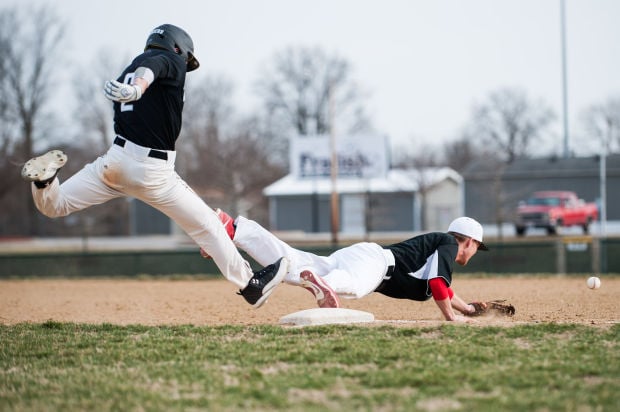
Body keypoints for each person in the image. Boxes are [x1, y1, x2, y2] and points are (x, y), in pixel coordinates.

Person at [20, 24, 287, 309]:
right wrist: (137, 89)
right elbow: (155, 68)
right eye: (185, 58)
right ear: (177, 47)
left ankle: (45, 182)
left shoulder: (130, 67)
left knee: (55, 205)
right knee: (209, 226)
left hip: (115, 160)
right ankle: (250, 285)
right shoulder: (168, 59)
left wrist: (134, 86)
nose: (185, 64)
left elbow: (147, 68)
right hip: (152, 169)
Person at [203, 210, 489, 322]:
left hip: (364, 257)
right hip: (375, 266)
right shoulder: (449, 245)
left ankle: (235, 229)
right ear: (470, 242)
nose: (475, 251)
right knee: (354, 286)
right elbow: (439, 285)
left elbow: (443, 287)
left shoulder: (441, 247)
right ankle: (320, 281)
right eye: (477, 246)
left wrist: (468, 309)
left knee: (292, 263)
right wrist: (452, 318)